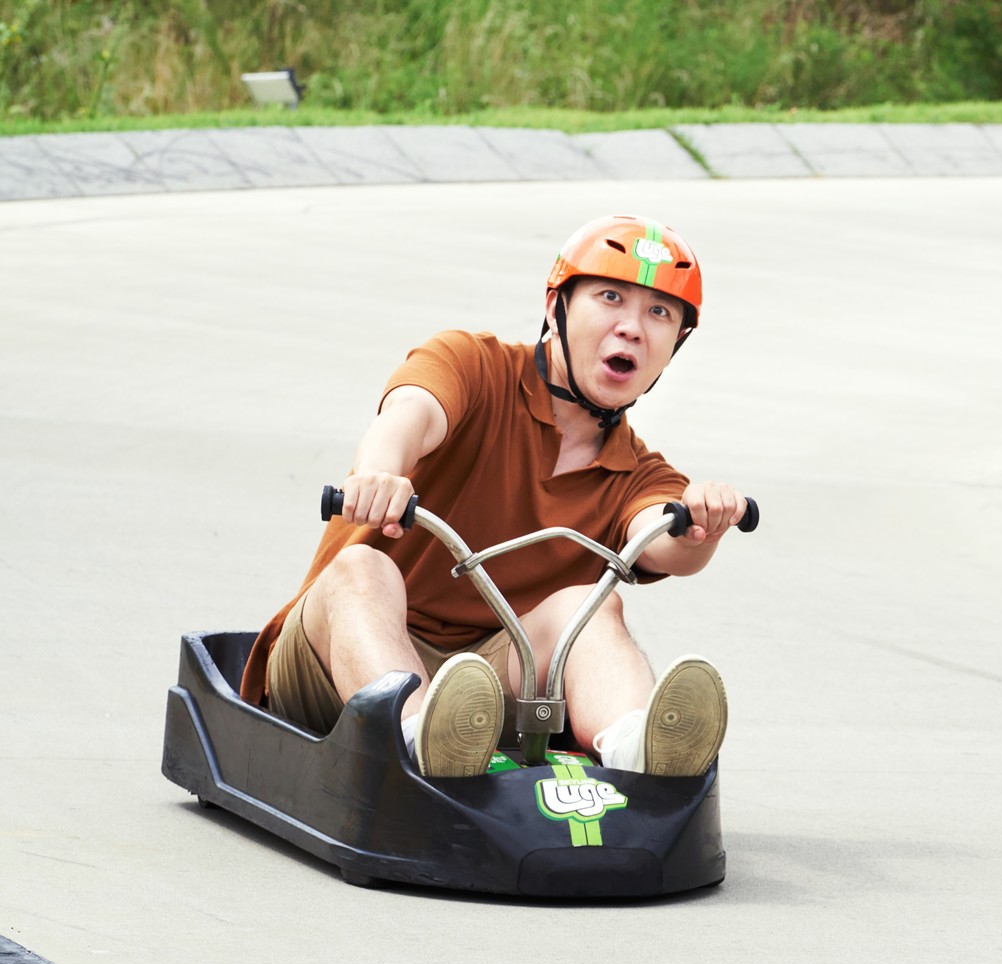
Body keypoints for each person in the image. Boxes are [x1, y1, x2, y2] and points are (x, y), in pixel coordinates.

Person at [237, 214, 747, 779]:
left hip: (480, 697)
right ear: (556, 307)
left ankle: (636, 749)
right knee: (362, 568)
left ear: (674, 345)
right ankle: (417, 738)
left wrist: (703, 522)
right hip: (335, 662)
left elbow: (665, 539)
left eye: (659, 313)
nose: (631, 327)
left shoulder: (640, 474)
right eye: (610, 298)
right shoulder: (473, 365)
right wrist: (379, 474)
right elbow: (410, 414)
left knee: (591, 606)